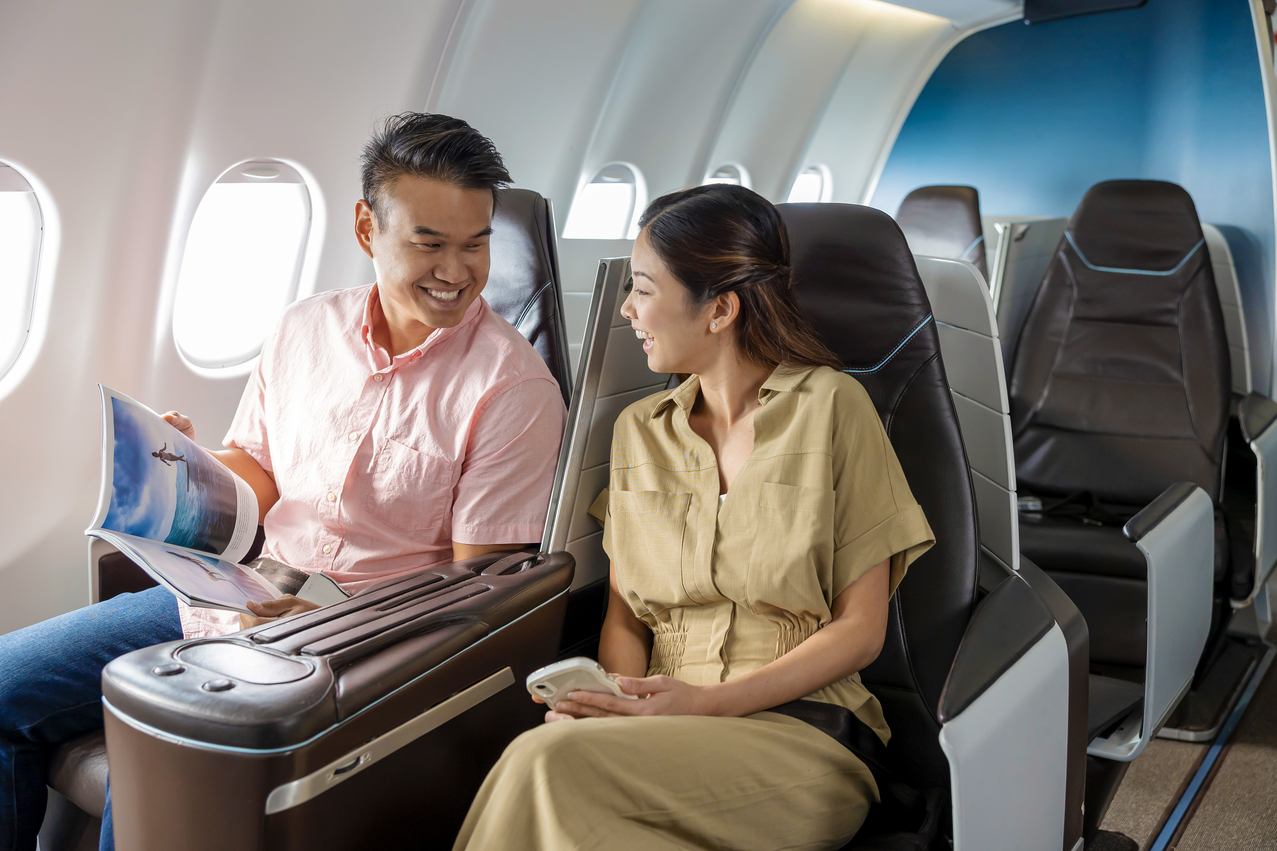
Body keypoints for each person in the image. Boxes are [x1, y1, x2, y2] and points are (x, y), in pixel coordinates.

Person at [0, 112, 566, 851]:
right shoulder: (305, 327)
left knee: (156, 763)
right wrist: (180, 470)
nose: (456, 270)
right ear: (367, 228)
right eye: (429, 243)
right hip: (235, 597)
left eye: (476, 243)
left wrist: (314, 630)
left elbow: (474, 596)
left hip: (355, 641)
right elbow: (258, 474)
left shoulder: (511, 388)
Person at [453, 184, 935, 851]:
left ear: (720, 309)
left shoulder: (831, 407)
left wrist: (706, 702)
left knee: (543, 764)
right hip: (663, 724)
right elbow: (624, 616)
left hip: (801, 732)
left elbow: (860, 631)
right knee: (566, 790)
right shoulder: (638, 433)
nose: (626, 308)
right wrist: (613, 704)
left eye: (643, 288)